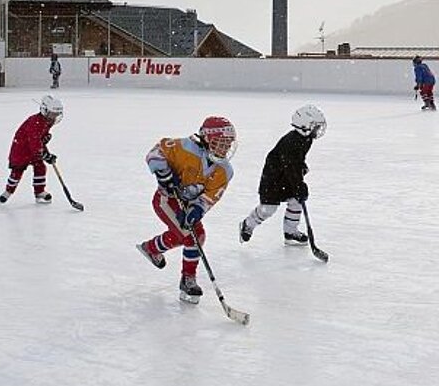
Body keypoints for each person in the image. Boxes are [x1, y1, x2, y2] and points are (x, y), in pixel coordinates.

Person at [137, 117, 237, 304]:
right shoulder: (183, 148)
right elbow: (155, 153)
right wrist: (164, 174)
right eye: (220, 143)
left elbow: (209, 197)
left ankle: (151, 248)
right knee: (194, 236)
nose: (225, 149)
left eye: (228, 144)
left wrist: (197, 209)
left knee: (186, 235)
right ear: (207, 138)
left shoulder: (225, 170)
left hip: (187, 205)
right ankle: (187, 280)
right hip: (166, 201)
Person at [239, 105, 326, 246]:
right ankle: (248, 224)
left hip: (288, 175)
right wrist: (299, 185)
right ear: (304, 126)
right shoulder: (291, 141)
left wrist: (301, 167)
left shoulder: (307, 138)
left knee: (296, 201)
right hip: (274, 178)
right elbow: (290, 166)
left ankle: (290, 232)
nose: (318, 130)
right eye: (315, 126)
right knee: (268, 209)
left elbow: (296, 160)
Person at [0, 95, 63, 204]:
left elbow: (39, 140)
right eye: (52, 114)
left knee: (40, 168)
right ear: (44, 110)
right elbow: (34, 141)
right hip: (21, 149)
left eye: (56, 114)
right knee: (17, 171)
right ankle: (8, 191)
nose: (54, 117)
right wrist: (44, 154)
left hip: (34, 150)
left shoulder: (47, 121)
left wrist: (45, 148)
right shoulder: (35, 122)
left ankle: (39, 192)